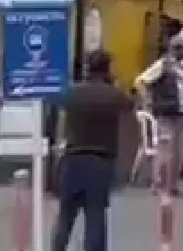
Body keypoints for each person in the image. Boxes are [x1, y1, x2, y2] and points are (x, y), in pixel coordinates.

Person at [52, 49, 134, 251]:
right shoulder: (113, 95)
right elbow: (130, 109)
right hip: (100, 161)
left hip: (72, 160)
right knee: (95, 217)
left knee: (65, 216)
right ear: (108, 68)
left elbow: (60, 123)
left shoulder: (71, 93)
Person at [134, 37, 183, 194]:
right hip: (166, 113)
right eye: (178, 48)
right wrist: (148, 101)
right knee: (166, 150)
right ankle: (160, 184)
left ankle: (172, 184)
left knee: (180, 152)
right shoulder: (163, 65)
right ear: (171, 49)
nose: (182, 51)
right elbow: (141, 81)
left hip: (182, 113)